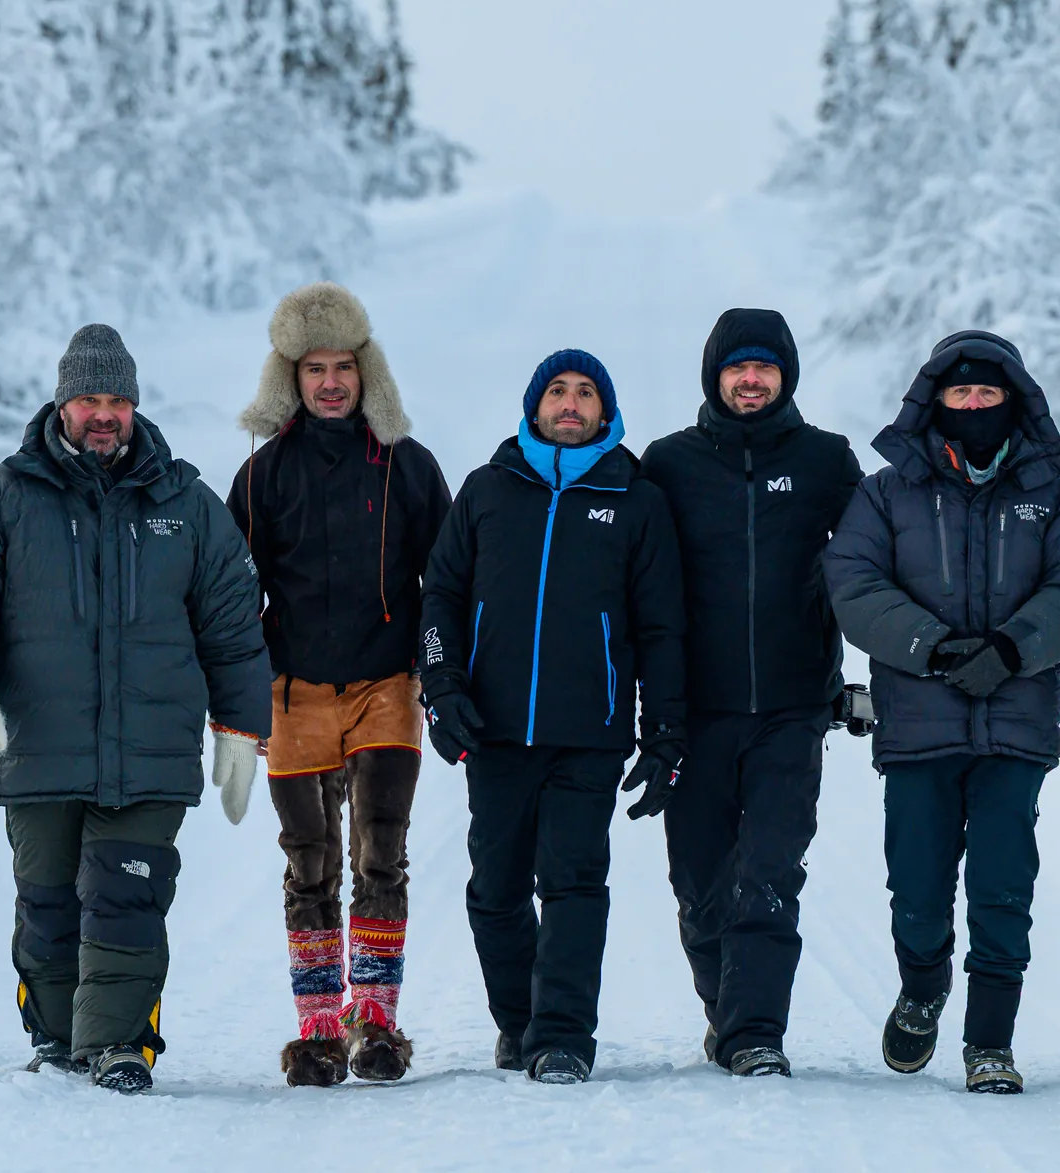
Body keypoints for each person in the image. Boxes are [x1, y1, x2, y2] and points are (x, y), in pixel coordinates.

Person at [0, 324, 270, 1094]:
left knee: (125, 894)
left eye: (116, 399)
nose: (103, 414)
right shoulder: (2, 499)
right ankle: (55, 1035)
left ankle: (115, 1045)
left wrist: (241, 729)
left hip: (150, 752)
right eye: (88, 399)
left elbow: (236, 625)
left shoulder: (188, 504)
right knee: (48, 905)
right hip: (40, 749)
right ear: (62, 403)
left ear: (135, 406)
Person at [824, 330, 1060, 1095]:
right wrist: (936, 647)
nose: (974, 404)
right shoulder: (886, 492)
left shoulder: (1054, 494)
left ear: (1013, 399)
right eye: (960, 392)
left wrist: (1013, 649)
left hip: (1016, 726)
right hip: (917, 724)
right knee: (916, 885)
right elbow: (851, 581)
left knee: (1003, 886)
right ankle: (922, 987)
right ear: (933, 400)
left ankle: (990, 1042)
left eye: (987, 392)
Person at [417, 350, 686, 1084]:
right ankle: (521, 1021)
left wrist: (664, 733)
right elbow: (440, 595)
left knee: (572, 882)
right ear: (535, 406)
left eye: (586, 392)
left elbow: (662, 628)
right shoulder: (486, 491)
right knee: (494, 889)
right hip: (494, 730)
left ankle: (563, 1035)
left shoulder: (637, 500)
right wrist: (441, 686)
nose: (571, 403)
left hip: (589, 733)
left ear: (606, 409)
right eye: (558, 391)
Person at [228, 282, 452, 1087]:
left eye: (343, 368)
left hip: (386, 686)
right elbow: (229, 593)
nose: (330, 382)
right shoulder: (259, 476)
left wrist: (437, 671)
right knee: (309, 863)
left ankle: (377, 1025)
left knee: (380, 856)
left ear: (367, 374)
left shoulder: (409, 467)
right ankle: (320, 1030)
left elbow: (448, 580)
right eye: (314, 368)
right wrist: (239, 696)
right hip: (293, 694)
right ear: (290, 377)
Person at [638, 308, 863, 1077]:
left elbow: (873, 566)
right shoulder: (667, 464)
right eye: (738, 367)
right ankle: (727, 1011)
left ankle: (755, 1033)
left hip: (793, 709)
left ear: (786, 375)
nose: (751, 379)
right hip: (695, 713)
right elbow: (630, 579)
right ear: (715, 375)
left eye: (765, 366)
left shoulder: (828, 460)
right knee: (701, 888)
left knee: (769, 874)